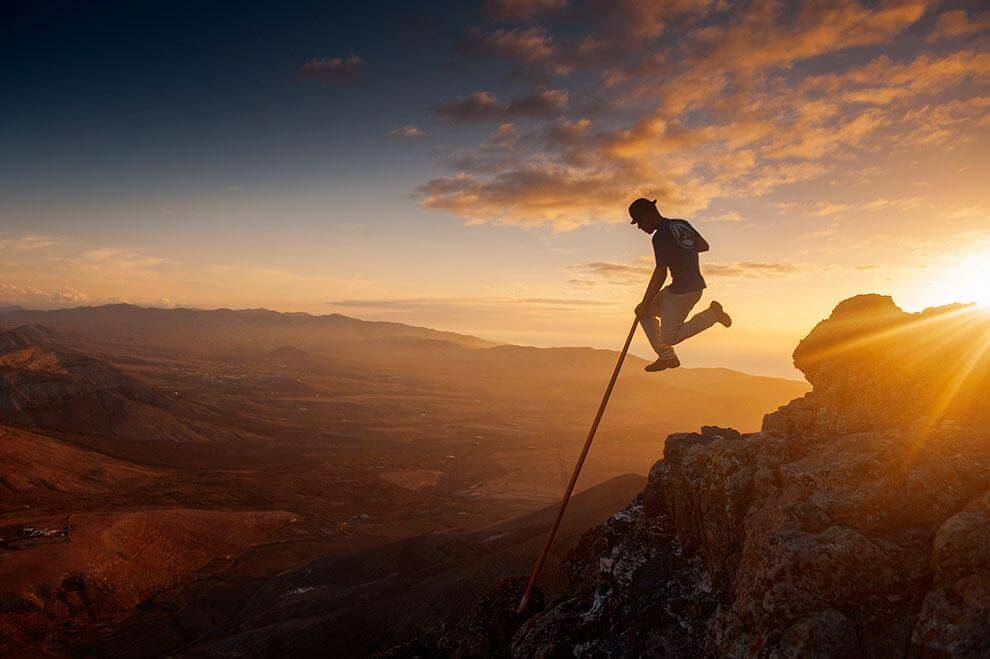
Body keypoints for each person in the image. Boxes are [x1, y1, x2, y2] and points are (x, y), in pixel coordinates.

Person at [628, 197, 732, 372]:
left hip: (684, 292)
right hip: (681, 288)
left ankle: (712, 315)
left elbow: (660, 272)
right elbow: (703, 246)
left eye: (639, 221)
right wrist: (682, 250)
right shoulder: (680, 224)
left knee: (669, 336)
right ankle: (667, 357)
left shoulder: (660, 236)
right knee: (642, 312)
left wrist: (647, 302)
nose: (639, 227)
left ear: (648, 215)